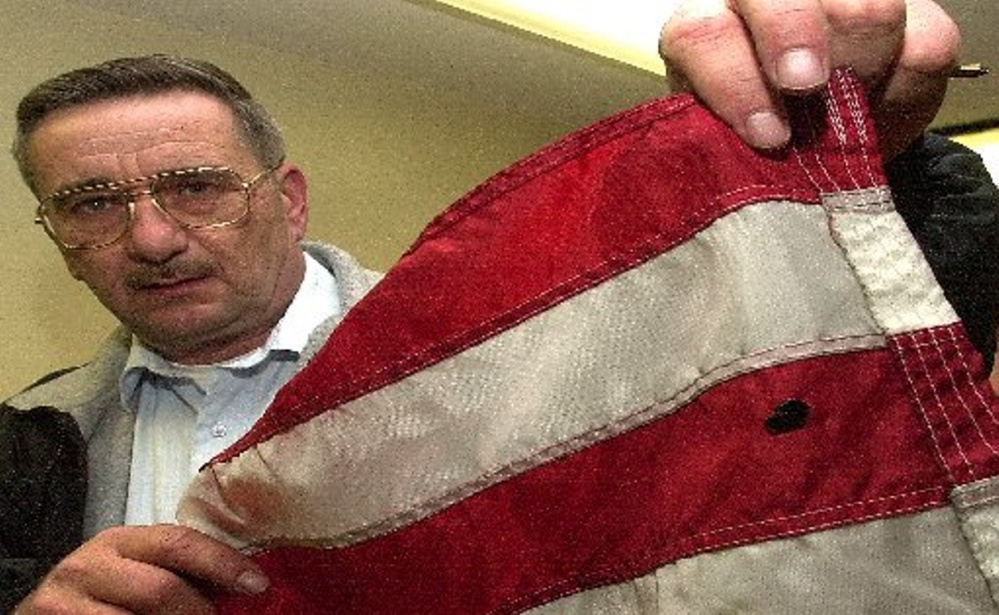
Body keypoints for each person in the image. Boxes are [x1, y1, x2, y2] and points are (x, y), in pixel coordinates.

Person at [2, 1, 995, 613]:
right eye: (92, 203)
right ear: (56, 234)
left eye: (196, 186)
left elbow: (824, 424)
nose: (152, 237)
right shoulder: (23, 452)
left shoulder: (527, 352)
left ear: (289, 199)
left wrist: (873, 166)